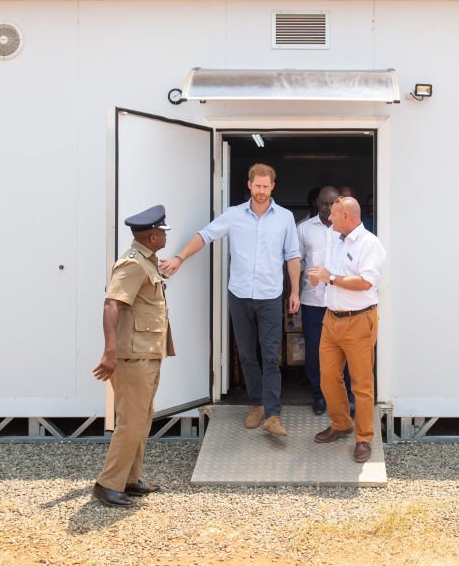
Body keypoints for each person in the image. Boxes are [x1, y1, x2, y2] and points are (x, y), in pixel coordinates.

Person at [160, 163, 300, 437]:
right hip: (240, 295)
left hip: (271, 296)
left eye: (266, 186)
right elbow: (204, 235)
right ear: (249, 185)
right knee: (247, 354)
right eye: (257, 186)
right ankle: (256, 405)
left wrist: (295, 291)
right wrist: (179, 258)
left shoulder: (285, 217)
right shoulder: (234, 215)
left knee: (270, 356)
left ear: (273, 186)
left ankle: (273, 414)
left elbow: (293, 255)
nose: (261, 191)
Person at [92, 205, 175, 508]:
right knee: (130, 421)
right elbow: (112, 304)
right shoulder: (132, 264)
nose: (166, 235)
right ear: (152, 237)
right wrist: (110, 351)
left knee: (142, 419)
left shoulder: (147, 262)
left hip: (147, 353)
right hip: (132, 356)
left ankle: (129, 479)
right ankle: (107, 484)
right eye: (163, 232)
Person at [306, 196, 385, 463]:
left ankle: (364, 438)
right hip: (332, 319)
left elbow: (365, 282)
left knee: (361, 384)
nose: (329, 218)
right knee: (328, 377)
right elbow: (328, 272)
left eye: (334, 215)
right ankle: (341, 424)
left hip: (359, 320)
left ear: (348, 217)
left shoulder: (369, 244)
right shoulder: (333, 237)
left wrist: (330, 277)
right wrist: (319, 278)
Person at [297, 186, 355, 415]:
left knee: (346, 351)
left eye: (333, 204)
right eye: (324, 204)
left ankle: (347, 396)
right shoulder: (303, 230)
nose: (328, 208)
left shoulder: (349, 230)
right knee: (315, 352)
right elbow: (296, 263)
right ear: (316, 204)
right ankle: (320, 395)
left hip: (343, 301)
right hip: (314, 302)